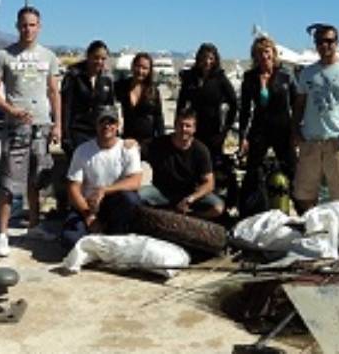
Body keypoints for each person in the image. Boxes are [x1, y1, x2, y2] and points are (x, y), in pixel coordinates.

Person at [0, 5, 61, 257]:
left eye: (32, 24)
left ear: (39, 27)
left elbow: (53, 92)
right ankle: (2, 234)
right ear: (17, 26)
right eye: (24, 24)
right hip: (15, 126)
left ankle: (34, 225)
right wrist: (11, 109)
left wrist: (57, 123)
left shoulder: (49, 57)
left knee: (36, 179)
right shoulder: (4, 56)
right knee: (8, 181)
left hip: (41, 124)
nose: (28, 29)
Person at [291, 24, 339, 211]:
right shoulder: (307, 73)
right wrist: (295, 130)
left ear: (336, 43)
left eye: (329, 41)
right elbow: (299, 104)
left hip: (338, 141)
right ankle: (313, 230)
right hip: (311, 141)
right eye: (320, 42)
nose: (325, 45)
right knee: (304, 194)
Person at [61, 105, 143, 249]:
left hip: (113, 206)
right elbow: (73, 187)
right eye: (102, 122)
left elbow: (135, 181)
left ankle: (116, 235)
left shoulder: (128, 148)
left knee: (131, 199)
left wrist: (104, 190)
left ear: (118, 125)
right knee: (70, 240)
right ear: (96, 125)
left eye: (111, 122)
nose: (107, 126)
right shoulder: (82, 150)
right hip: (88, 207)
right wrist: (88, 215)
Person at [237, 36, 296, 216]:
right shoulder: (250, 77)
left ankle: (298, 207)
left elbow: (297, 105)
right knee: (252, 169)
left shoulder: (286, 75)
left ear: (273, 53)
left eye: (267, 52)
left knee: (291, 168)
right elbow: (245, 110)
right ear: (255, 56)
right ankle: (246, 209)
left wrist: (297, 131)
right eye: (260, 53)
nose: (264, 56)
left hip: (282, 128)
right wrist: (243, 137)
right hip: (259, 129)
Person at [140, 108, 224, 219]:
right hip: (161, 191)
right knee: (137, 196)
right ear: (174, 126)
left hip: (189, 193)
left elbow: (209, 183)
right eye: (180, 125)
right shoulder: (158, 144)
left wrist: (191, 198)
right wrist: (131, 143)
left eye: (188, 126)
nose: (183, 129)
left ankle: (190, 218)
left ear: (194, 129)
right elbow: (137, 149)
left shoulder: (201, 150)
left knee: (217, 208)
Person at [176, 43, 237, 160]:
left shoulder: (220, 78)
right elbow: (181, 102)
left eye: (211, 59)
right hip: (192, 129)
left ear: (215, 60)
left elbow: (233, 103)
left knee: (211, 162)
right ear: (199, 58)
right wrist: (179, 125)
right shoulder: (190, 77)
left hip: (213, 130)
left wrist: (226, 129)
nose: (207, 62)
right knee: (190, 159)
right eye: (204, 58)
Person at [60, 40, 115, 159]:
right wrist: (65, 135)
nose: (99, 62)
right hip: (77, 132)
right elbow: (66, 107)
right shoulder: (73, 76)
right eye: (96, 57)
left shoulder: (107, 80)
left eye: (103, 58)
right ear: (88, 56)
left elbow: (110, 109)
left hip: (98, 133)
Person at [114, 52, 165, 158]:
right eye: (138, 66)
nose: (140, 71)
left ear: (150, 70)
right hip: (125, 141)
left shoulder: (153, 91)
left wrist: (162, 143)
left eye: (145, 68)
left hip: (147, 143)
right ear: (132, 66)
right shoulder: (120, 87)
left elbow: (159, 119)